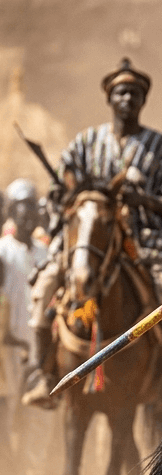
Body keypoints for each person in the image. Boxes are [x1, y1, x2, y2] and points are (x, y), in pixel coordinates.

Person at [22, 58, 162, 406]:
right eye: (121, 92)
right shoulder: (84, 143)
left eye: (134, 93)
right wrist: (69, 196)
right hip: (90, 238)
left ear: (143, 100)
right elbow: (58, 191)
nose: (127, 98)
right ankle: (41, 371)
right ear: (109, 98)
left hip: (146, 239)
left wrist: (146, 200)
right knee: (46, 283)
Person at [0, 179, 51, 465]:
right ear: (11, 211)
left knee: (39, 420)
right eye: (22, 209)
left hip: (39, 352)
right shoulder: (2, 252)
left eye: (33, 208)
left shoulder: (45, 253)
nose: (28, 216)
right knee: (6, 421)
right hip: (7, 350)